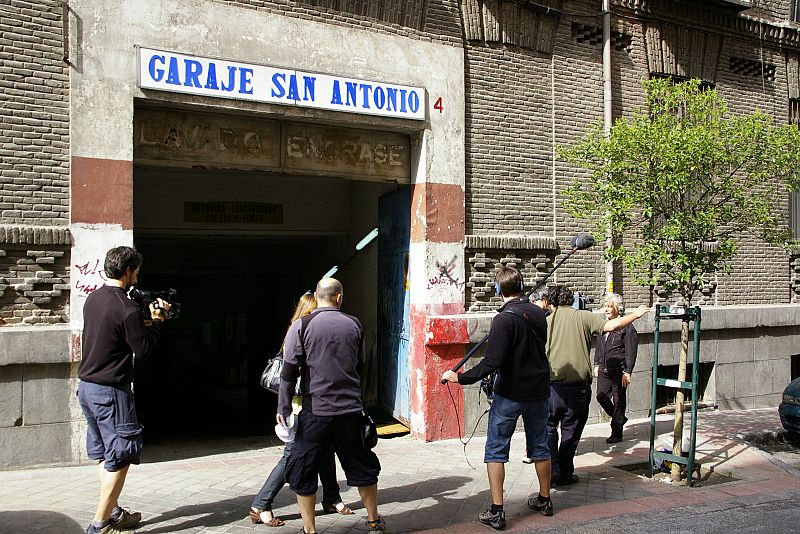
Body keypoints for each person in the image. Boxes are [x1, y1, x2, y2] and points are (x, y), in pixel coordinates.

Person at [442, 266, 553, 530]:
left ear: (498, 289)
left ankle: (497, 510)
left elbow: (492, 362)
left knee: (496, 449)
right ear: (522, 287)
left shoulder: (503, 320)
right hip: (539, 390)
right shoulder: (539, 314)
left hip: (511, 393)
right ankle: (545, 499)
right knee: (540, 446)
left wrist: (461, 377)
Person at [277, 278, 385, 534]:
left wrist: (283, 407)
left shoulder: (301, 325)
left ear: (317, 297)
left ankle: (309, 529)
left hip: (316, 412)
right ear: (339, 298)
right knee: (363, 466)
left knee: (304, 470)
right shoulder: (354, 324)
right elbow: (359, 365)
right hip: (349, 412)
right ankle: (373, 521)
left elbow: (289, 372)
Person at [77, 246, 171, 534]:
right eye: (137, 272)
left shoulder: (93, 299)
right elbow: (142, 350)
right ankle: (100, 523)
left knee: (107, 454)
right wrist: (156, 323)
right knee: (121, 456)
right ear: (128, 270)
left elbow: (113, 334)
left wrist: (140, 322)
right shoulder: (127, 308)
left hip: (87, 388)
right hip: (111, 392)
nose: (137, 277)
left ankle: (114, 512)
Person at [250, 293, 354, 526]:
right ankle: (261, 503)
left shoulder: (306, 330)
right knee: (292, 456)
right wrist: (284, 407)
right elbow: (290, 375)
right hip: (301, 406)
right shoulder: (300, 332)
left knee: (325, 449)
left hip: (316, 405)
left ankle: (331, 497)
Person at [545, 284, 648, 486]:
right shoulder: (584, 317)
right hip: (578, 388)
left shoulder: (546, 322)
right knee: (571, 431)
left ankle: (554, 469)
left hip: (551, 387)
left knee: (548, 428)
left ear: (551, 303)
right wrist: (635, 315)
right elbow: (612, 326)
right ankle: (565, 471)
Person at [593, 293, 638, 444]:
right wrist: (597, 364)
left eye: (609, 306)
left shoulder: (627, 327)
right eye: (605, 306)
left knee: (619, 401)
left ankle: (616, 432)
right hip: (604, 369)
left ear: (617, 309)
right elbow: (599, 347)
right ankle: (620, 418)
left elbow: (631, 351)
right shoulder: (603, 326)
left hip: (619, 370)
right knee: (601, 396)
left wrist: (628, 371)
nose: (605, 309)